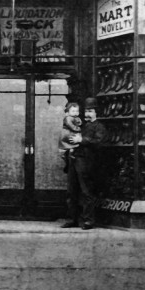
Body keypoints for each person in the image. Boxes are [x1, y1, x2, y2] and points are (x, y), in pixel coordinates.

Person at [61, 97, 106, 230]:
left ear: (96, 112)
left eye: (91, 111)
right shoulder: (82, 125)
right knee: (71, 191)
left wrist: (82, 140)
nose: (87, 114)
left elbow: (99, 142)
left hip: (86, 162)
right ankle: (71, 219)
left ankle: (88, 220)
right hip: (74, 160)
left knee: (87, 192)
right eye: (86, 111)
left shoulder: (99, 127)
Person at [58, 102, 82, 171]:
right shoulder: (68, 118)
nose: (75, 113)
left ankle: (70, 155)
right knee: (68, 145)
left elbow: (79, 122)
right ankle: (68, 157)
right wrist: (77, 128)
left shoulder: (76, 118)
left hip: (72, 133)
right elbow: (70, 125)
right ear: (68, 112)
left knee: (72, 146)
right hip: (68, 133)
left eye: (77, 111)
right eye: (73, 111)